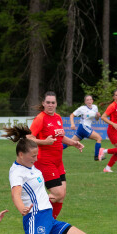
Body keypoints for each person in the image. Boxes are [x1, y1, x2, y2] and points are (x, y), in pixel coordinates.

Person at [2, 124, 93, 234]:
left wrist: (47, 196)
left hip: (48, 217)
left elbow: (37, 190)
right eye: (33, 156)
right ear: (21, 154)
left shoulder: (31, 167)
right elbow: (15, 193)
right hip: (36, 216)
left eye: (36, 155)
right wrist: (21, 207)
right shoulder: (17, 172)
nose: (36, 159)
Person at [27, 91, 84, 219]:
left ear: (56, 104)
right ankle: (34, 205)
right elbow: (28, 138)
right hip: (45, 161)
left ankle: (50, 223)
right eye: (48, 102)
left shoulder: (58, 118)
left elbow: (60, 136)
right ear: (43, 103)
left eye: (53, 102)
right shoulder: (40, 118)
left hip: (58, 162)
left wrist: (74, 143)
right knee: (57, 194)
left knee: (61, 196)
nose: (50, 105)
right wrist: (44, 142)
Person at [64, 95, 105, 161]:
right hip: (83, 127)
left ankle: (54, 149)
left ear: (92, 100)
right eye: (87, 100)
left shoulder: (95, 107)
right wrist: (72, 124)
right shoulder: (82, 108)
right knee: (99, 138)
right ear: (85, 102)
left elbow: (96, 119)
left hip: (83, 129)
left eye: (90, 99)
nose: (89, 101)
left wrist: (98, 116)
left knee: (70, 143)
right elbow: (72, 115)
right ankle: (96, 156)